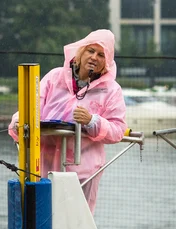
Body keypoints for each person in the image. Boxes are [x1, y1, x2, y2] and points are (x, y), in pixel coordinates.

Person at [8, 29, 127, 214]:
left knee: (76, 225)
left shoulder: (111, 90)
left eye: (101, 54)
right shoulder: (55, 77)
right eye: (90, 51)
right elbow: (31, 105)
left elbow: (118, 130)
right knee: (40, 222)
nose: (94, 57)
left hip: (82, 173)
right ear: (80, 52)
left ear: (107, 62)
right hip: (42, 167)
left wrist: (92, 121)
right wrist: (18, 122)